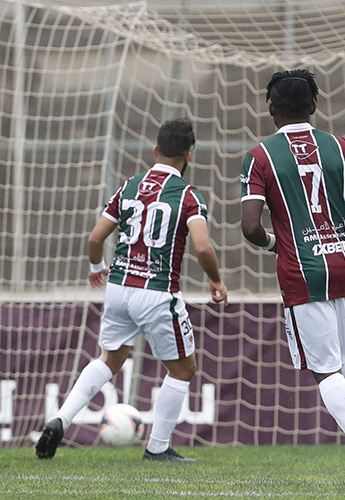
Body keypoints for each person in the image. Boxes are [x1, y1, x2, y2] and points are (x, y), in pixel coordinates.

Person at [239, 69, 345, 468]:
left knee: (324, 369)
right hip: (343, 264)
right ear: (314, 106)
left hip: (302, 269)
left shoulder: (260, 156)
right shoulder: (339, 146)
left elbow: (250, 226)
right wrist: (343, 229)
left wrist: (273, 245)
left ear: (270, 108)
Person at [36, 118, 227, 462]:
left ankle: (61, 418)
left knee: (109, 358)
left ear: (155, 150)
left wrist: (97, 268)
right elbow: (202, 247)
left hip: (119, 287)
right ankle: (157, 448)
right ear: (188, 155)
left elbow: (96, 238)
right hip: (156, 292)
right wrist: (215, 279)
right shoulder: (188, 195)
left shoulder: (129, 185)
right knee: (183, 370)